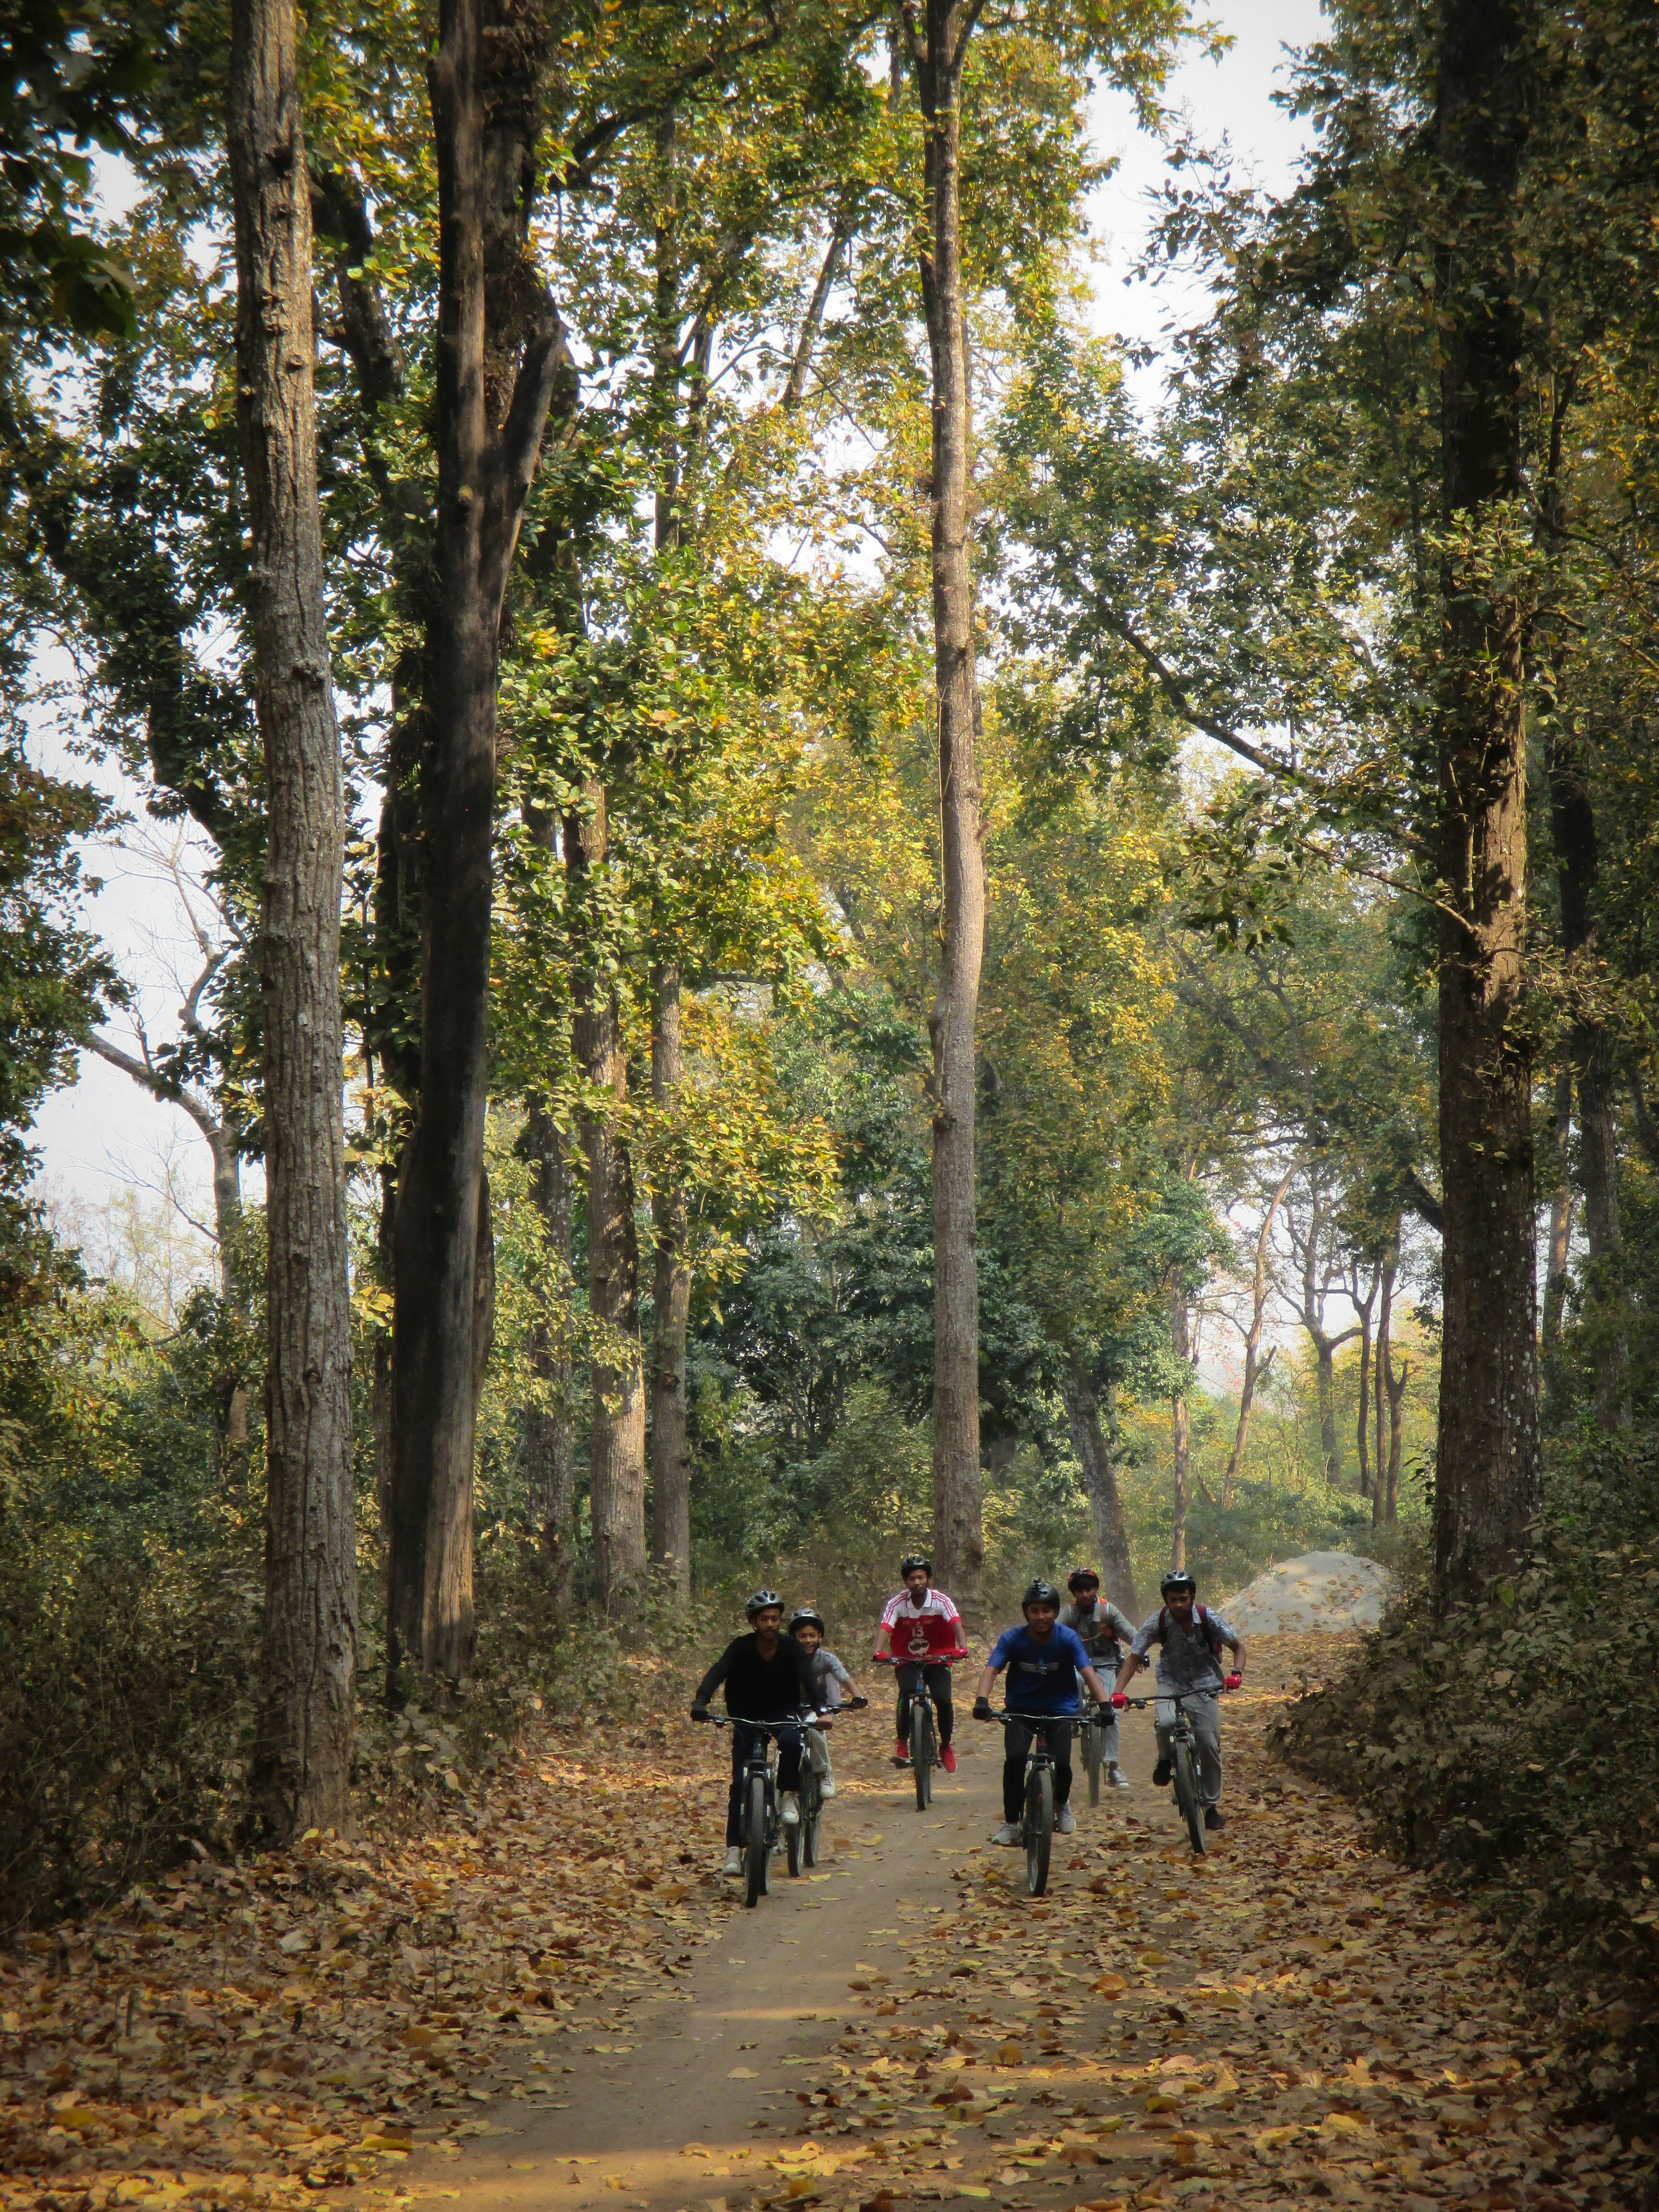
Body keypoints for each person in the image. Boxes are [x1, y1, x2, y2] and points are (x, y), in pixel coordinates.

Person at [971, 1577, 1114, 1844]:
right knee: (1014, 1760)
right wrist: (982, 1700)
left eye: (1047, 1611)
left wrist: (1105, 1705)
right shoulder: (1012, 1639)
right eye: (1034, 1611)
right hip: (1021, 1709)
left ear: (1056, 1612)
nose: (1041, 1617)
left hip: (1062, 1709)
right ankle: (1012, 1823)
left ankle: (1061, 1805)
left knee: (1062, 1761)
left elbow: (1088, 1672)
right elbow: (991, 1670)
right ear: (1026, 1612)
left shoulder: (1068, 1639)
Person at [692, 1590, 819, 1876]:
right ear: (753, 1622)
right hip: (745, 1715)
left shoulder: (791, 1648)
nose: (771, 1624)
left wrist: (821, 1710)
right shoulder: (740, 1647)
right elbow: (717, 1672)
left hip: (782, 1711)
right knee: (739, 1783)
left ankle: (787, 1794)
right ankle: (734, 1851)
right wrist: (701, 1702)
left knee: (792, 1743)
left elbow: (808, 1679)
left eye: (775, 1618)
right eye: (764, 1619)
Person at [1112, 1568, 1245, 1831]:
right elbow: (1134, 1657)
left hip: (1206, 1682)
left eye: (1184, 1599)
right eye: (1173, 1600)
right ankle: (1165, 1759)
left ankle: (1211, 1807)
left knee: (1209, 1744)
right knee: (1164, 1722)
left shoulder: (1210, 1618)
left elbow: (1238, 1647)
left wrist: (1236, 1674)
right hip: (1170, 1680)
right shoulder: (1157, 1622)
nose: (1179, 1605)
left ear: (1192, 1596)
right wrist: (1117, 1692)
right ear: (1166, 1601)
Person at [875, 1553, 968, 1771]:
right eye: (912, 1579)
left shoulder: (941, 1601)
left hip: (938, 1658)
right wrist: (878, 1651)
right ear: (905, 1582)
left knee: (943, 1700)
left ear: (928, 1579)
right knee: (906, 1691)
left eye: (921, 1578)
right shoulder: (897, 1603)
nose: (917, 1583)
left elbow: (956, 1622)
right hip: (906, 1658)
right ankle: (902, 1744)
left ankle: (945, 1746)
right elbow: (886, 1627)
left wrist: (962, 1647)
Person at [1059, 1567, 1136, 1791]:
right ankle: (1074, 1718)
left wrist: (1142, 1653)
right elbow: (1054, 1636)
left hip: (1106, 1663)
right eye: (1080, 1590)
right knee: (1074, 1682)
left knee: (1112, 1710)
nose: (1085, 1594)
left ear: (1096, 1590)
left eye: (1089, 1589)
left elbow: (1131, 1634)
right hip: (1077, 1664)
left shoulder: (1108, 1611)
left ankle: (1112, 1766)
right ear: (1074, 1593)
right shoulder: (1069, 1613)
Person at [787, 1608, 868, 1800]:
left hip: (819, 1706)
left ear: (820, 1637)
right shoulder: (785, 1658)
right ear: (792, 1638)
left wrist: (858, 1697)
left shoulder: (826, 1659)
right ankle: (785, 1792)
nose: (808, 1640)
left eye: (812, 1636)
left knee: (815, 1729)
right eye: (802, 1636)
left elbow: (845, 1679)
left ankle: (824, 1773)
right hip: (790, 1706)